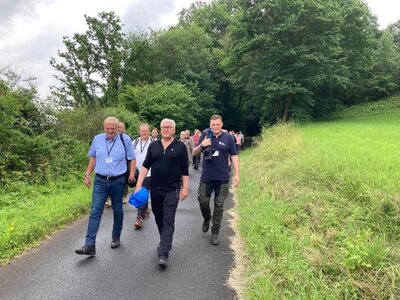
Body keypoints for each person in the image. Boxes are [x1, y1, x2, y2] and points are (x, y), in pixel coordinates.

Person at [75, 116, 136, 256]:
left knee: (118, 209)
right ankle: (89, 245)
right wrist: (87, 175)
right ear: (104, 127)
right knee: (95, 210)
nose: (110, 131)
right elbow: (93, 158)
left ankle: (116, 236)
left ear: (117, 128)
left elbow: (132, 159)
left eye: (113, 129)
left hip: (118, 180)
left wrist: (131, 175)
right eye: (107, 128)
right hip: (100, 180)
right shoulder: (97, 139)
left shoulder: (124, 139)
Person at [134, 118, 189, 267]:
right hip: (156, 189)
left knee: (168, 219)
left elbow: (185, 169)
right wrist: (139, 185)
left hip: (172, 189)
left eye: (169, 127)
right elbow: (145, 166)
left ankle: (164, 251)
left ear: (174, 130)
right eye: (163, 127)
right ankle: (163, 239)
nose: (166, 129)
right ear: (159, 129)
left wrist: (185, 188)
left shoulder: (180, 147)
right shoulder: (153, 146)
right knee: (159, 217)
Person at [193, 115, 239, 246]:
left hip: (223, 178)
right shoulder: (205, 135)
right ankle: (207, 218)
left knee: (219, 206)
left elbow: (234, 156)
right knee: (203, 201)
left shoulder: (229, 138)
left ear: (221, 124)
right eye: (213, 124)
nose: (215, 126)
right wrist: (202, 144)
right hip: (207, 177)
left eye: (217, 124)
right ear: (210, 125)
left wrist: (237, 174)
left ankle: (215, 232)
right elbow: (194, 152)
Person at [132, 123, 154, 229]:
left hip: (150, 173)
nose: (144, 132)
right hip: (137, 173)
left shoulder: (154, 143)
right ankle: (144, 211)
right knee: (143, 193)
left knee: (142, 194)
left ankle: (139, 217)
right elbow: (131, 157)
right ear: (139, 131)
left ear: (149, 131)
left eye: (145, 131)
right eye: (142, 131)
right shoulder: (135, 142)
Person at [105, 121, 129, 208]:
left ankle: (123, 196)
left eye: (120, 128)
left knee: (123, 181)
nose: (119, 129)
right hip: (111, 164)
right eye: (117, 128)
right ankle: (109, 199)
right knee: (109, 180)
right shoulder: (109, 138)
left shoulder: (125, 139)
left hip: (123, 163)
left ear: (124, 129)